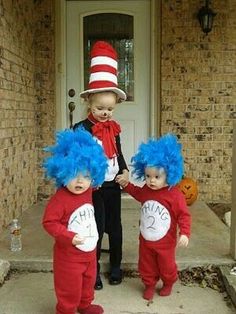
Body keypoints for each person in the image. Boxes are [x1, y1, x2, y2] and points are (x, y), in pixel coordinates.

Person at [73, 41, 129, 290]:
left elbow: (117, 152)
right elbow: (72, 161)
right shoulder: (81, 130)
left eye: (110, 109)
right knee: (95, 226)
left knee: (115, 226)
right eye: (100, 108)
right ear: (88, 104)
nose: (105, 113)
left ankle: (116, 264)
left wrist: (125, 170)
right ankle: (92, 270)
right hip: (92, 188)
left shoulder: (113, 128)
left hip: (113, 185)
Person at [116, 134, 191, 300]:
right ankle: (149, 284)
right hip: (146, 239)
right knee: (146, 264)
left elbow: (183, 215)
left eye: (157, 177)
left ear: (169, 174)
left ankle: (169, 282)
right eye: (148, 176)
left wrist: (185, 232)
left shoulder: (174, 195)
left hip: (166, 242)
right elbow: (136, 192)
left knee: (167, 266)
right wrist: (126, 185)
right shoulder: (146, 190)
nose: (151, 181)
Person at [42, 128, 108, 314]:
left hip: (89, 253)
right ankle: (66, 310)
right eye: (74, 175)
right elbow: (49, 222)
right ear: (62, 172)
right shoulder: (60, 199)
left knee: (88, 282)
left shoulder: (87, 190)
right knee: (69, 288)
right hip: (68, 257)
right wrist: (67, 235)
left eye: (86, 176)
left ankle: (85, 305)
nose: (80, 181)